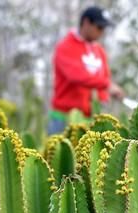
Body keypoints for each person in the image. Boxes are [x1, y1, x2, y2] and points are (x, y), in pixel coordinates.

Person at [48, 6, 124, 134]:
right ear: (86, 23)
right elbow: (76, 75)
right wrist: (107, 85)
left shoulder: (99, 51)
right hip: (63, 118)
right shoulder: (65, 47)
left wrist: (106, 98)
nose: (102, 32)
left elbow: (105, 78)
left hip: (90, 119)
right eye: (99, 27)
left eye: (104, 28)